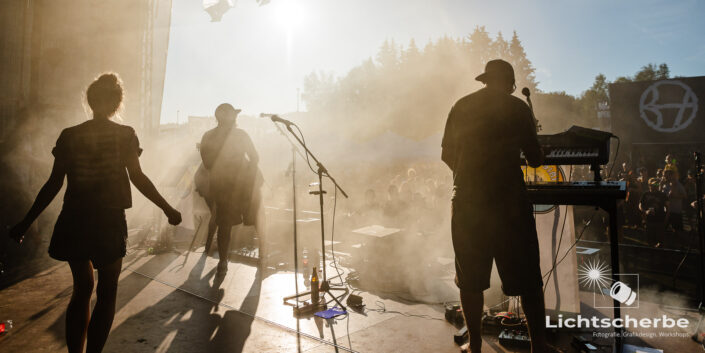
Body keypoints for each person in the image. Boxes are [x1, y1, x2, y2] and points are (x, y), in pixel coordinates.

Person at [8, 73, 182, 353]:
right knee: (107, 291)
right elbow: (138, 177)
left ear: (89, 101)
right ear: (117, 103)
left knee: (82, 289)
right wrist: (167, 208)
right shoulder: (124, 135)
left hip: (74, 219)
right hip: (108, 221)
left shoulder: (70, 135)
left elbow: (53, 184)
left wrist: (26, 223)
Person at [442, 59, 558, 353]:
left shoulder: (461, 105)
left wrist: (469, 174)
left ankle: (476, 345)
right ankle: (539, 348)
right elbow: (535, 160)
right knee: (528, 279)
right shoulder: (518, 108)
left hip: (468, 203)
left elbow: (446, 154)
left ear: (485, 80)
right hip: (510, 207)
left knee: (470, 279)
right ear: (509, 83)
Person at [199, 103, 261, 275]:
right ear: (230, 117)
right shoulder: (241, 135)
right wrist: (249, 175)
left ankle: (223, 262)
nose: (236, 118)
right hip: (242, 186)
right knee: (257, 218)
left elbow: (207, 164)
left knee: (224, 224)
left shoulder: (208, 136)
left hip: (220, 187)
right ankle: (263, 256)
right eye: (234, 115)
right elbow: (255, 157)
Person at [640, 178, 667, 246]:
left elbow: (667, 207)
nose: (655, 186)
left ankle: (660, 252)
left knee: (660, 239)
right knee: (649, 238)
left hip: (659, 219)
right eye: (653, 184)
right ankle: (651, 251)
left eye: (657, 184)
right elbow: (640, 204)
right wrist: (645, 211)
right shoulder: (646, 194)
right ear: (649, 185)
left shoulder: (662, 195)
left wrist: (666, 217)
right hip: (648, 219)